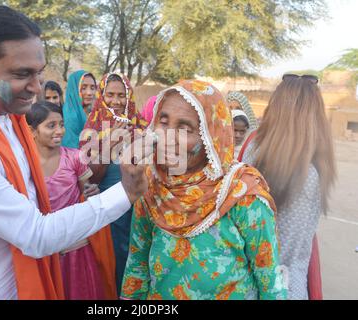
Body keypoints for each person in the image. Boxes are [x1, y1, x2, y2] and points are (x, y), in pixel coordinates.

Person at [0, 6, 150, 299]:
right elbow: (35, 234)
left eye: (39, 73)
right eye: (22, 74)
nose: (36, 88)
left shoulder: (2, 111)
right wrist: (126, 192)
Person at [121, 80, 286, 300]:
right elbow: (137, 264)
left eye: (184, 128)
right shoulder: (151, 184)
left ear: (212, 135)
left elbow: (269, 280)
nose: (168, 139)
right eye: (163, 122)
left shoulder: (241, 192)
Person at [242, 74, 336, 300]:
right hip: (288, 286)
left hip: (244, 281)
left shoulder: (253, 148)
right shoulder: (315, 169)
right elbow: (294, 251)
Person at [26, 101, 117, 299]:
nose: (59, 131)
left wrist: (91, 191)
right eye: (51, 125)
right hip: (44, 247)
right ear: (32, 131)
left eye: (61, 124)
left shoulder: (75, 157)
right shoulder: (24, 164)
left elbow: (86, 190)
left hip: (77, 246)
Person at [80, 72, 148, 295]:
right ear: (102, 96)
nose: (116, 101)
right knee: (115, 257)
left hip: (141, 209)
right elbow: (91, 178)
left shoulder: (140, 127)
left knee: (138, 256)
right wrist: (111, 144)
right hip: (110, 209)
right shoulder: (93, 129)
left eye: (121, 95)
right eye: (110, 95)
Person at [61, 70, 97, 149]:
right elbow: (72, 150)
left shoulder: (89, 111)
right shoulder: (70, 116)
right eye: (83, 88)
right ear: (74, 89)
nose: (89, 93)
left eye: (92, 88)